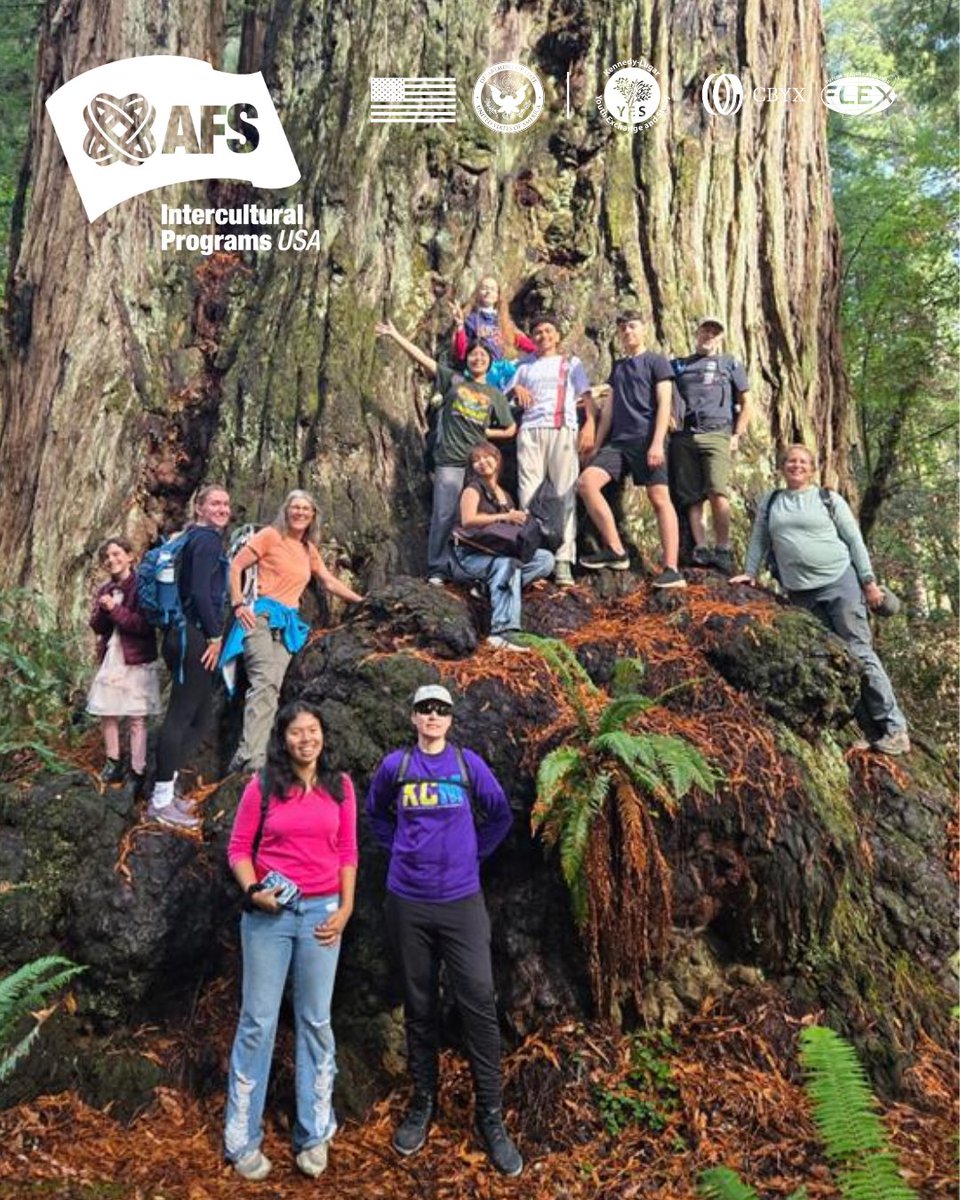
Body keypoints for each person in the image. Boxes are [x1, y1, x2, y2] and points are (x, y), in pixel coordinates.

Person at [365, 685, 523, 1177]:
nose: (433, 716)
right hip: (408, 901)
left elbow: (500, 814)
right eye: (425, 709)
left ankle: (490, 1117)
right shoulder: (397, 766)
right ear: (413, 717)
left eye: (441, 710)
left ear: (451, 719)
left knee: (478, 999)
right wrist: (400, 852)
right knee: (419, 1002)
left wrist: (472, 854)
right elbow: (375, 815)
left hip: (461, 901)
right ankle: (423, 1102)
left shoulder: (467, 764)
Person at [224, 700, 358, 1181]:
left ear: (323, 735)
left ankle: (314, 1130)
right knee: (257, 1021)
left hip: (323, 914)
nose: (307, 739)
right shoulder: (262, 787)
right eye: (297, 732)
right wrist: (252, 890)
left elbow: (347, 852)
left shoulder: (340, 787)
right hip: (269, 917)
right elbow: (239, 849)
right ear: (283, 740)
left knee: (315, 1020)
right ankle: (240, 1137)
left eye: (314, 730)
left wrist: (345, 909)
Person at [730, 445, 910, 754]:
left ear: (812, 469)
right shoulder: (772, 501)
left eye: (802, 462)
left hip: (841, 583)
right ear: (782, 466)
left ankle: (895, 728)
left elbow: (854, 539)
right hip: (800, 592)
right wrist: (749, 572)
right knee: (830, 659)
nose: (796, 466)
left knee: (858, 651)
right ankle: (871, 732)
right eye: (790, 461)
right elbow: (759, 538)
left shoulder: (828, 499)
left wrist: (868, 582)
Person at [225, 490, 363, 773]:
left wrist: (363, 601)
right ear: (286, 511)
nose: (300, 513)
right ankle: (252, 759)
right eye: (295, 508)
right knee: (264, 682)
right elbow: (236, 565)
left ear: (313, 516)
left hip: (287, 624)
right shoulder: (270, 536)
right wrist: (238, 604)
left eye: (306, 509)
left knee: (272, 686)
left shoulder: (307, 549)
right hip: (260, 617)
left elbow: (328, 581)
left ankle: (249, 753)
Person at [375, 317, 517, 583]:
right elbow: (421, 359)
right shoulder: (453, 380)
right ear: (467, 360)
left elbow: (510, 428)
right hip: (450, 459)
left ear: (490, 362)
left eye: (483, 356)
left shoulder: (494, 394)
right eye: (473, 355)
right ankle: (438, 567)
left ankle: (471, 565)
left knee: (476, 514)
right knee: (444, 513)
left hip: (478, 463)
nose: (477, 359)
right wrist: (395, 335)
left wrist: (487, 433)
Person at [576, 310, 686, 588]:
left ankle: (671, 568)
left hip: (647, 438)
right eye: (623, 328)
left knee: (659, 498)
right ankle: (615, 549)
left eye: (633, 327)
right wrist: (597, 447)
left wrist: (657, 442)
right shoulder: (619, 367)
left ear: (644, 329)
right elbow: (610, 411)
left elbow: (664, 403)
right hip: (618, 443)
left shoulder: (656, 362)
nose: (628, 332)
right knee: (587, 483)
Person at [147, 484, 232, 828]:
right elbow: (198, 591)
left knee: (200, 718)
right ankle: (160, 800)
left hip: (180, 635)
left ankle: (168, 788)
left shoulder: (187, 538)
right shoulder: (207, 540)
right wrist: (215, 636)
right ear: (199, 508)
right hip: (191, 636)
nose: (222, 509)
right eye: (214, 503)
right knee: (181, 716)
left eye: (226, 503)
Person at [508, 314, 595, 586]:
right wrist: (516, 389)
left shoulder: (570, 363)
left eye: (548, 331)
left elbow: (586, 396)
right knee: (528, 493)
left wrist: (590, 424)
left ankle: (563, 560)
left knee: (564, 492)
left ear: (557, 336)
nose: (543, 336)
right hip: (531, 431)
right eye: (537, 332)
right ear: (532, 339)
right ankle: (534, 555)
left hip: (562, 429)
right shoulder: (522, 366)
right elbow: (505, 393)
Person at [449, 442, 555, 652]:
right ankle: (503, 631)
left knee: (545, 559)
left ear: (497, 459)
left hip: (497, 552)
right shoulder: (473, 488)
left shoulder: (504, 494)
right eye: (476, 460)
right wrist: (504, 516)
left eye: (486, 457)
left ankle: (490, 588)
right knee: (508, 565)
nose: (482, 463)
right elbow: (468, 520)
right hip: (471, 555)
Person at [670, 316, 751, 574]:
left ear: (721, 338)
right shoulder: (679, 365)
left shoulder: (730, 363)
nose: (709, 336)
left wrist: (737, 434)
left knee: (717, 489)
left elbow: (747, 402)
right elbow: (660, 392)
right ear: (697, 333)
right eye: (705, 331)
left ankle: (723, 547)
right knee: (692, 495)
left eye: (714, 333)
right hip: (684, 436)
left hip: (718, 433)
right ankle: (701, 546)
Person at [86, 537, 161, 798]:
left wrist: (115, 609)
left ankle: (137, 770)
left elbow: (144, 625)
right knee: (108, 711)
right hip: (113, 657)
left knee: (136, 716)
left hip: (136, 657)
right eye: (106, 557)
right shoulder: (106, 588)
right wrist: (103, 609)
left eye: (117, 554)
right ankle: (113, 761)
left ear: (130, 556)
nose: (111, 560)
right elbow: (98, 627)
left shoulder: (141, 585)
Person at [450, 275, 535, 390]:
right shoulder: (470, 319)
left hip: (500, 370)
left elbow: (523, 343)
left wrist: (543, 351)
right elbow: (461, 353)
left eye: (492, 289)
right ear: (478, 293)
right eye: (484, 288)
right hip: (479, 370)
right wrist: (460, 326)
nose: (488, 292)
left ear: (497, 296)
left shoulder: (503, 321)